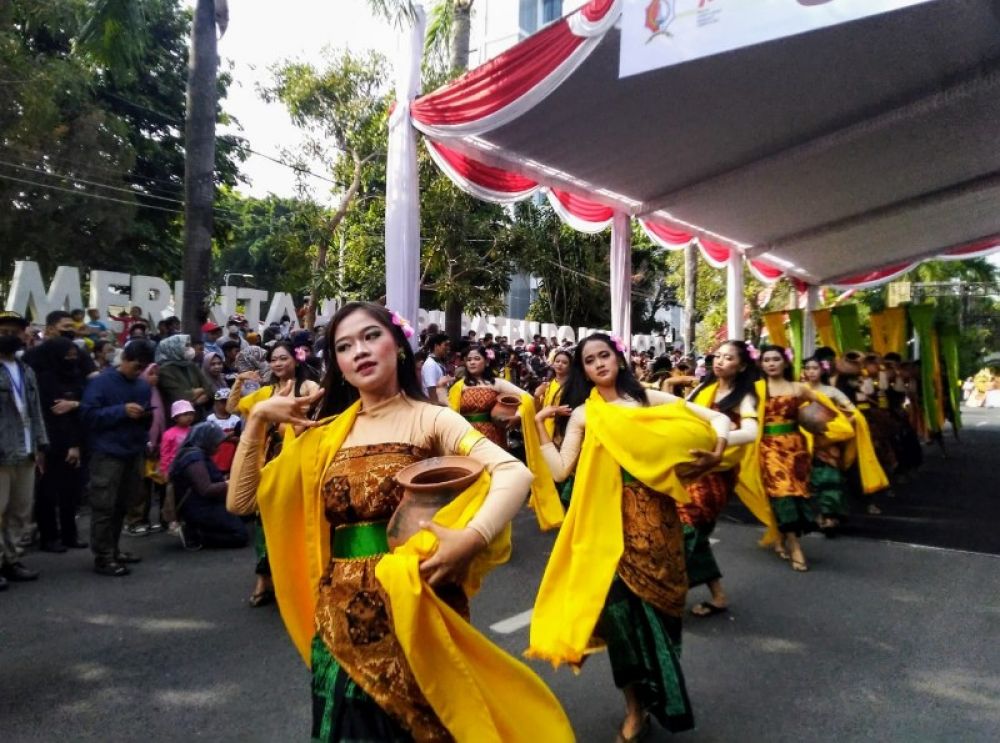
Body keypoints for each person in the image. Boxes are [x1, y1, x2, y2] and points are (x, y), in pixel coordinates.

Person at [227, 302, 571, 741]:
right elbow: (241, 503)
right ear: (337, 363)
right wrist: (256, 421)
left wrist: (469, 538)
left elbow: (514, 472)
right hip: (338, 613)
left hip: (415, 606)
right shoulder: (326, 432)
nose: (360, 351)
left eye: (371, 336)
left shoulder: (431, 417)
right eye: (344, 346)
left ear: (398, 346)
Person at [532, 333, 731, 739]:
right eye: (589, 360)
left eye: (604, 355)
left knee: (662, 619)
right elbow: (559, 470)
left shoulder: (648, 401)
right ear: (584, 370)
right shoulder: (586, 416)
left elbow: (714, 419)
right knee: (622, 625)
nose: (598, 364)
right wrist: (539, 427)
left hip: (657, 530)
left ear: (619, 359)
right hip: (606, 536)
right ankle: (634, 709)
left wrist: (718, 450)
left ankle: (659, 695)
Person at [227, 340, 320, 608]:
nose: (278, 364)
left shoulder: (308, 388)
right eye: (274, 359)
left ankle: (295, 580)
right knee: (263, 522)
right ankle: (263, 579)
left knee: (295, 522)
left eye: (283, 358)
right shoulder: (266, 393)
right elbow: (235, 408)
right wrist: (239, 381)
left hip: (297, 465)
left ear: (296, 359)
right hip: (267, 464)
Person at [681, 340, 763, 616]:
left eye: (728, 358)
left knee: (687, 528)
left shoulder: (745, 397)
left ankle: (664, 589)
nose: (720, 361)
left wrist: (717, 440)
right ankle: (718, 596)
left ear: (741, 366)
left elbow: (751, 432)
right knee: (695, 533)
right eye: (718, 355)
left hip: (717, 474)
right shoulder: (703, 388)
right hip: (693, 468)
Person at [80, 340, 155, 577]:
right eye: (135, 365)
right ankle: (103, 557)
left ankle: (113, 549)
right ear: (123, 359)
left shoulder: (142, 386)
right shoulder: (101, 382)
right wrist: (121, 411)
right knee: (104, 506)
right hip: (107, 453)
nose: (138, 371)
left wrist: (144, 417)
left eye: (142, 367)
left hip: (132, 451)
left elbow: (147, 419)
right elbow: (88, 414)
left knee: (124, 504)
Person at [756, 344, 823, 571]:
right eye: (766, 360)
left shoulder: (798, 389)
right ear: (761, 364)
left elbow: (825, 408)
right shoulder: (757, 390)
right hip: (768, 449)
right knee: (782, 493)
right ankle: (796, 547)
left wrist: (839, 422)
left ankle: (781, 536)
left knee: (796, 495)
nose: (771, 363)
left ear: (785, 362)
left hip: (796, 448)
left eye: (776, 359)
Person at [0, 311, 48, 588]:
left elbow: (36, 409)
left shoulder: (26, 369)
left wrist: (41, 443)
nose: (9, 337)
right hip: (2, 451)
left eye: (14, 332)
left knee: (20, 510)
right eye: (4, 331)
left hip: (26, 450)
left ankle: (12, 559)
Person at [27, 336, 87, 553]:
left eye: (74, 355)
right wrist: (70, 443)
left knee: (71, 492)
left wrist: (76, 405)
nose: (72, 359)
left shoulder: (76, 376)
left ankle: (70, 534)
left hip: (75, 441)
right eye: (68, 355)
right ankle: (49, 537)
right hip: (51, 443)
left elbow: (84, 406)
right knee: (48, 493)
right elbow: (54, 415)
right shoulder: (45, 380)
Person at [170, 422, 248, 551]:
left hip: (205, 503)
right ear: (207, 440)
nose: (218, 445)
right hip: (199, 507)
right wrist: (231, 483)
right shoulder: (193, 458)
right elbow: (206, 489)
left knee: (245, 511)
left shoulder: (197, 453)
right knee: (239, 535)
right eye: (216, 442)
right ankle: (196, 535)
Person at [156, 334, 212, 419]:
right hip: (180, 419)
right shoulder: (164, 371)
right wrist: (200, 392)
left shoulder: (190, 364)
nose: (190, 349)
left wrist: (198, 392)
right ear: (175, 348)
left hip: (200, 415)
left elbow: (208, 388)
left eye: (189, 345)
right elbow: (180, 396)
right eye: (186, 346)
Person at [206, 388, 241, 474]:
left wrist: (221, 437)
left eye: (228, 402)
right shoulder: (211, 419)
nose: (226, 404)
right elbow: (210, 438)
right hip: (215, 454)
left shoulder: (236, 419)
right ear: (216, 403)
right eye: (222, 402)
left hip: (231, 454)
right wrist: (230, 435)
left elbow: (239, 438)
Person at [421, 332, 452, 403]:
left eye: (449, 345)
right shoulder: (430, 364)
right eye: (446, 345)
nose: (448, 348)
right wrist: (437, 408)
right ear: (436, 346)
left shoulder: (437, 362)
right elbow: (431, 389)